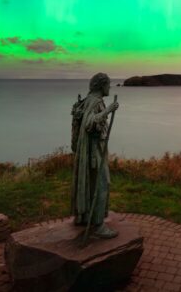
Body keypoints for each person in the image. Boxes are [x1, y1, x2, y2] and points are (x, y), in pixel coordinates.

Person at [70, 72, 120, 239]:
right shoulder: (96, 102)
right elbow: (89, 123)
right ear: (102, 85)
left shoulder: (88, 99)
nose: (110, 87)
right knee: (102, 184)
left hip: (91, 149)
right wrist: (108, 110)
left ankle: (84, 217)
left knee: (91, 184)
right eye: (108, 84)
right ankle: (99, 225)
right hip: (94, 151)